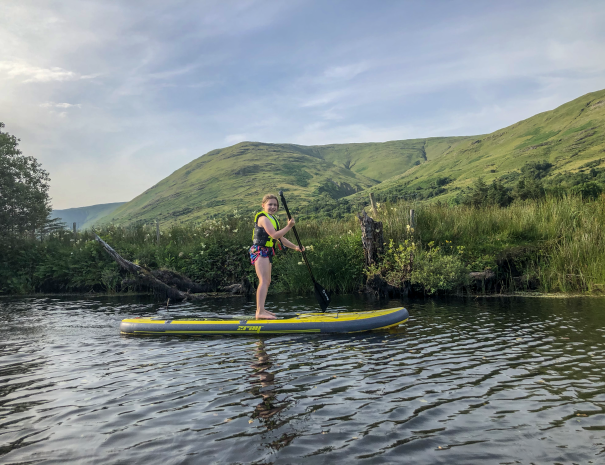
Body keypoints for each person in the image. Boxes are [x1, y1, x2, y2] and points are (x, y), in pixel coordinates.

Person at [250, 194, 304, 320]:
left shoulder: (273, 219)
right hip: (260, 251)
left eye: (275, 205)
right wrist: (289, 226)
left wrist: (295, 247)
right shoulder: (263, 218)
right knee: (263, 280)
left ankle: (261, 309)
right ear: (263, 205)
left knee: (267, 281)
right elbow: (274, 235)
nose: (273, 207)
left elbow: (281, 238)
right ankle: (259, 312)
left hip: (267, 252)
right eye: (270, 204)